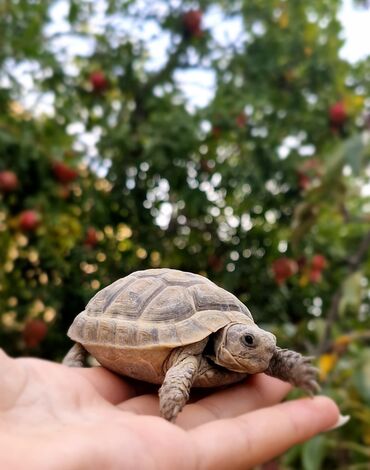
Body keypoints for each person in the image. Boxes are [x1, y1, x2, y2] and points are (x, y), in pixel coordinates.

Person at [0, 348, 343, 469]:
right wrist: (173, 398)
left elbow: (268, 354)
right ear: (222, 339)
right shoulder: (189, 357)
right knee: (185, 366)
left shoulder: (247, 349)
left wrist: (291, 368)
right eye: (248, 342)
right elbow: (183, 369)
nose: (262, 351)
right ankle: (77, 351)